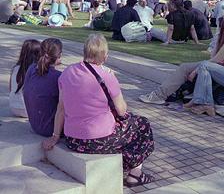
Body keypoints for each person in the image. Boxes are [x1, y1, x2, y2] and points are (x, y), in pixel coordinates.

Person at [42, 34, 154, 186]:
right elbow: (122, 110)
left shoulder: (67, 72)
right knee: (142, 125)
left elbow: (61, 108)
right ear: (105, 56)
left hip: (73, 140)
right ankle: (135, 173)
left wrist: (55, 136)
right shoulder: (107, 77)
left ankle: (130, 166)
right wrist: (115, 81)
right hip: (98, 139)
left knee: (128, 129)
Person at [23, 38, 62, 137]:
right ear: (59, 55)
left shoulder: (31, 69)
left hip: (35, 125)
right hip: (51, 129)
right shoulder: (58, 77)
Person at [9, 39, 41, 117]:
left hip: (13, 107)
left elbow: (10, 88)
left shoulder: (15, 68)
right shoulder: (35, 70)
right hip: (29, 111)